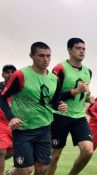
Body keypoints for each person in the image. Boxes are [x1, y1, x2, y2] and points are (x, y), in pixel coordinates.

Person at [0, 42, 67, 175]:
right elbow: (2, 97)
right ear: (31, 56)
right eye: (41, 56)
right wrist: (11, 117)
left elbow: (53, 102)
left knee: (42, 168)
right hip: (23, 130)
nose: (46, 59)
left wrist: (59, 105)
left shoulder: (55, 79)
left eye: (48, 56)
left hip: (44, 129)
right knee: (25, 170)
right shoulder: (20, 75)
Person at [48, 38, 94, 175]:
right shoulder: (60, 68)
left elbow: (83, 92)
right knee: (54, 155)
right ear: (69, 50)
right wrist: (75, 91)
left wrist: (88, 97)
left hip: (79, 117)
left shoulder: (88, 71)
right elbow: (52, 96)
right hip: (60, 116)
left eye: (84, 49)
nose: (81, 51)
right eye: (78, 48)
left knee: (88, 150)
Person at [0, 64, 16, 175]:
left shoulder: (21, 88)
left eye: (12, 72)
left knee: (13, 152)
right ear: (2, 74)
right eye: (7, 72)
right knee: (1, 151)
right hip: (1, 124)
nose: (10, 74)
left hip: (16, 125)